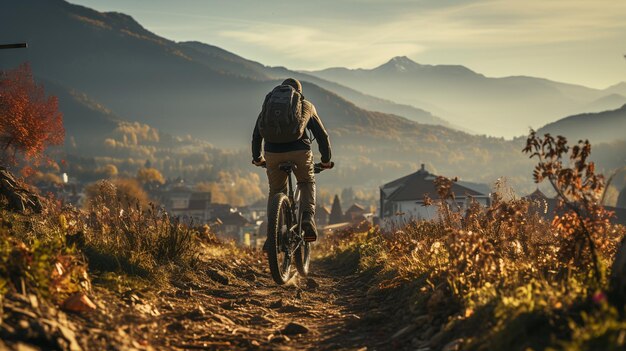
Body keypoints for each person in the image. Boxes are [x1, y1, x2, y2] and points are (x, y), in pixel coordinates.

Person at [252, 78, 332, 242]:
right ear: (299, 93)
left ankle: (272, 236)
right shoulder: (306, 106)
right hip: (299, 152)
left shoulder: (268, 107)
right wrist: (326, 160)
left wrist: (258, 158)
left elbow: (256, 135)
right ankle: (307, 219)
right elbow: (322, 136)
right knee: (306, 181)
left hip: (272, 153)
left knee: (276, 191)